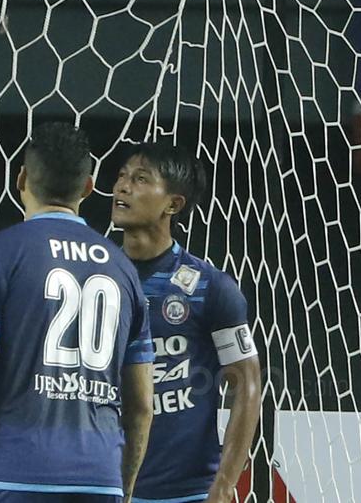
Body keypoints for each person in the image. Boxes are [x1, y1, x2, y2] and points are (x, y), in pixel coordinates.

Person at [0, 121, 156, 503]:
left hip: (13, 475)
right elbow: (141, 405)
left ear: (21, 179)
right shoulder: (123, 270)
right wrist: (124, 489)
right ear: (87, 187)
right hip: (98, 481)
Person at [110, 144, 261, 503]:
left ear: (173, 204)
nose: (122, 187)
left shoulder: (210, 287)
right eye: (121, 176)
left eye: (140, 179)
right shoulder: (95, 280)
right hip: (105, 488)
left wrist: (226, 483)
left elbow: (247, 383)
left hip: (188, 493)